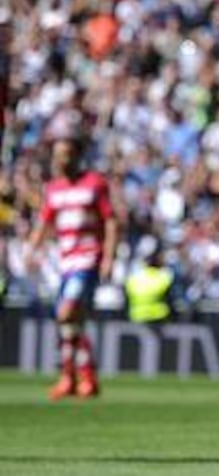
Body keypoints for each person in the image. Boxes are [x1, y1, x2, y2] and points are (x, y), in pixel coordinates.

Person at [27, 137, 118, 399]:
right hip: (64, 262)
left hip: (88, 258)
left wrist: (109, 257)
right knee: (70, 323)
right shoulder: (53, 189)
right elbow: (44, 222)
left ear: (78, 156)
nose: (61, 160)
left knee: (66, 313)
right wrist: (32, 249)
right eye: (57, 155)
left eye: (66, 154)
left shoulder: (95, 184)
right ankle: (79, 378)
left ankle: (76, 376)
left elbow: (110, 221)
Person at [125, 248, 174, 324]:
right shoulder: (164, 277)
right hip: (158, 316)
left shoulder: (134, 278)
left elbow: (127, 297)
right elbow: (170, 297)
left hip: (136, 316)